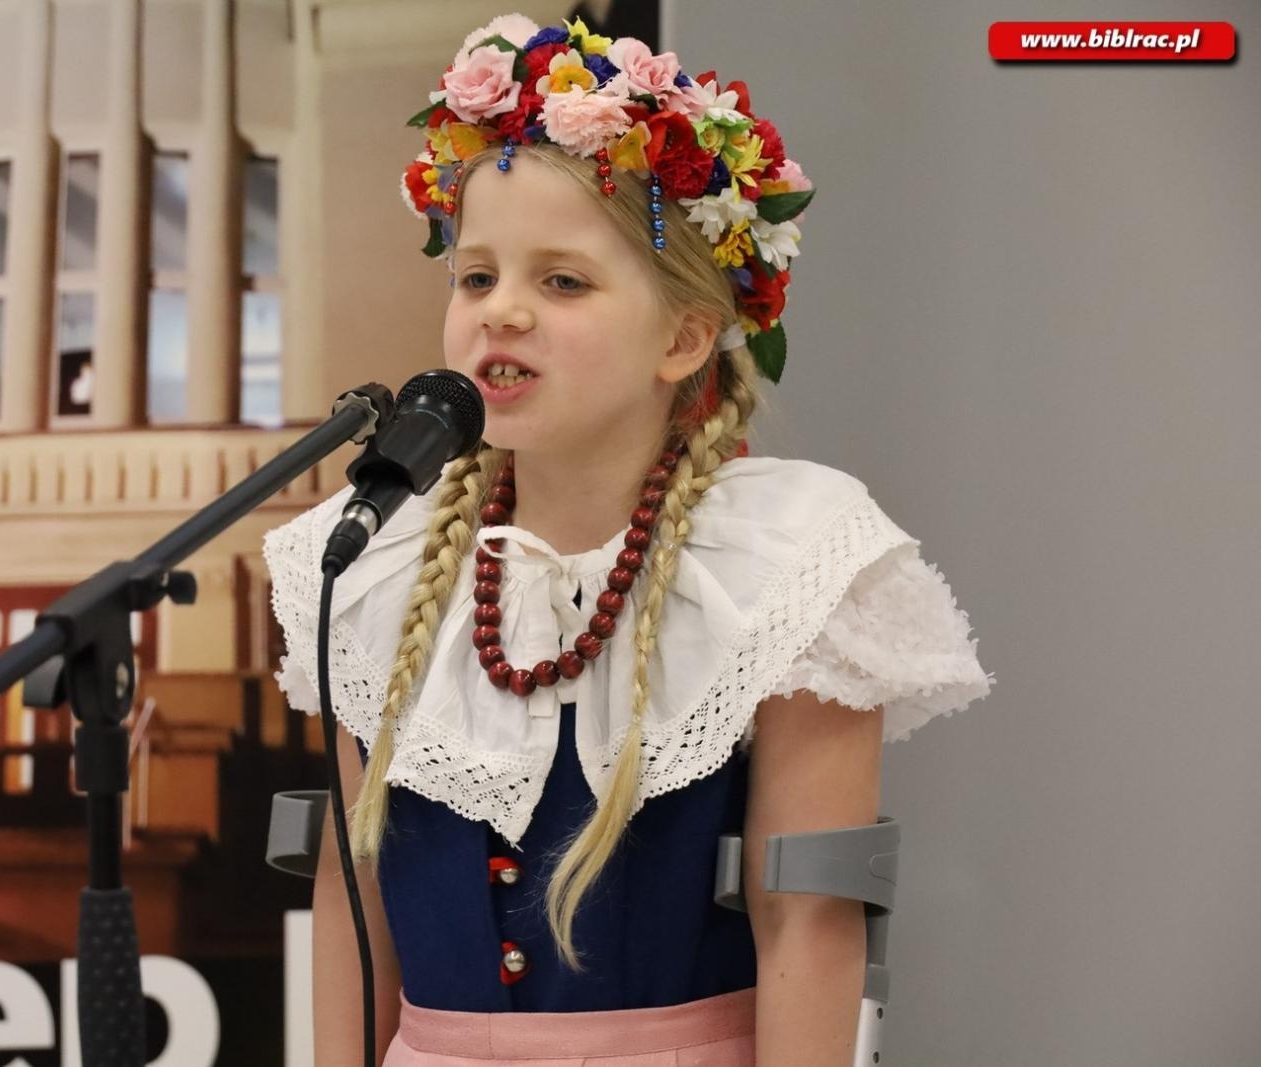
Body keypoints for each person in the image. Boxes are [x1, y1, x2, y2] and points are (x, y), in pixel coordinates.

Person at [261, 13, 996, 1065]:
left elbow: (809, 916)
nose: (499, 312)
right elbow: (353, 887)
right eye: (475, 277)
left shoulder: (789, 558)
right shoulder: (372, 554)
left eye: (560, 281)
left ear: (684, 336)